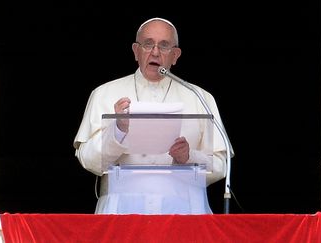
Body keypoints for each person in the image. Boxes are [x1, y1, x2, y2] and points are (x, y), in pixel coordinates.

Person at [73, 17, 232, 214]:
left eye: (164, 46)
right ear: (135, 51)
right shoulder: (104, 94)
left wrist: (189, 157)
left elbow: (221, 165)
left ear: (175, 55)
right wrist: (118, 130)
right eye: (148, 44)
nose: (155, 52)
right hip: (120, 211)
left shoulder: (200, 98)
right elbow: (89, 162)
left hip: (185, 211)